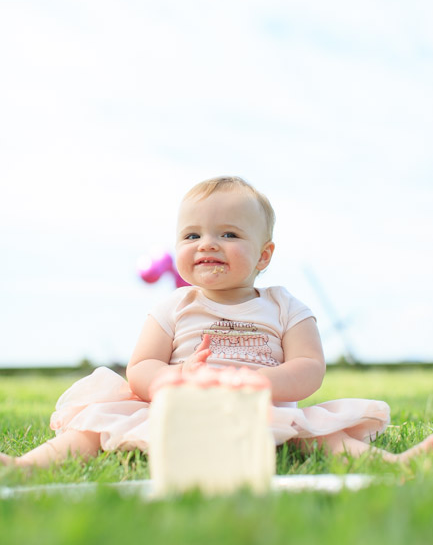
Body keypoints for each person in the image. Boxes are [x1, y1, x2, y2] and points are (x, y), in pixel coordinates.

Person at [2, 176, 433, 469]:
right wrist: (174, 376)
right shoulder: (176, 305)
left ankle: (392, 466)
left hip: (256, 408)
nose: (207, 243)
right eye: (192, 235)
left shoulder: (284, 306)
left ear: (264, 255)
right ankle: (25, 468)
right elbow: (141, 368)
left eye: (228, 234)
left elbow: (309, 368)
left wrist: (261, 383)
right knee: (99, 422)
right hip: (177, 406)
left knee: (313, 432)